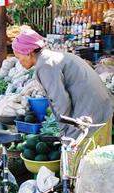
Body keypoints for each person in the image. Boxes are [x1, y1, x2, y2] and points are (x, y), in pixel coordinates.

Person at [12, 28, 113, 171]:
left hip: (92, 113)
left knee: (80, 168)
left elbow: (61, 103)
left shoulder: (45, 65)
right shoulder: (51, 57)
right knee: (99, 166)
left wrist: (65, 134)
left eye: (18, 57)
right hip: (100, 108)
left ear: (28, 52)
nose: (19, 61)